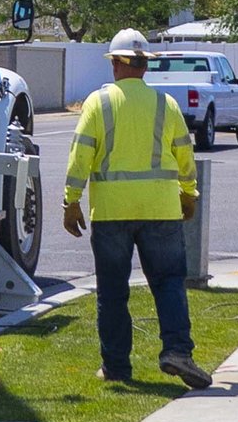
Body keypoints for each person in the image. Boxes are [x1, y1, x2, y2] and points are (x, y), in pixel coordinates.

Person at [62, 29, 212, 389]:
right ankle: (177, 351)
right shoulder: (166, 105)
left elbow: (81, 154)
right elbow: (184, 155)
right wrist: (189, 194)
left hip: (112, 213)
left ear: (115, 64)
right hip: (161, 210)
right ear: (145, 66)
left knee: (113, 291)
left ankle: (116, 367)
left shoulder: (98, 104)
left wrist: (71, 201)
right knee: (169, 283)